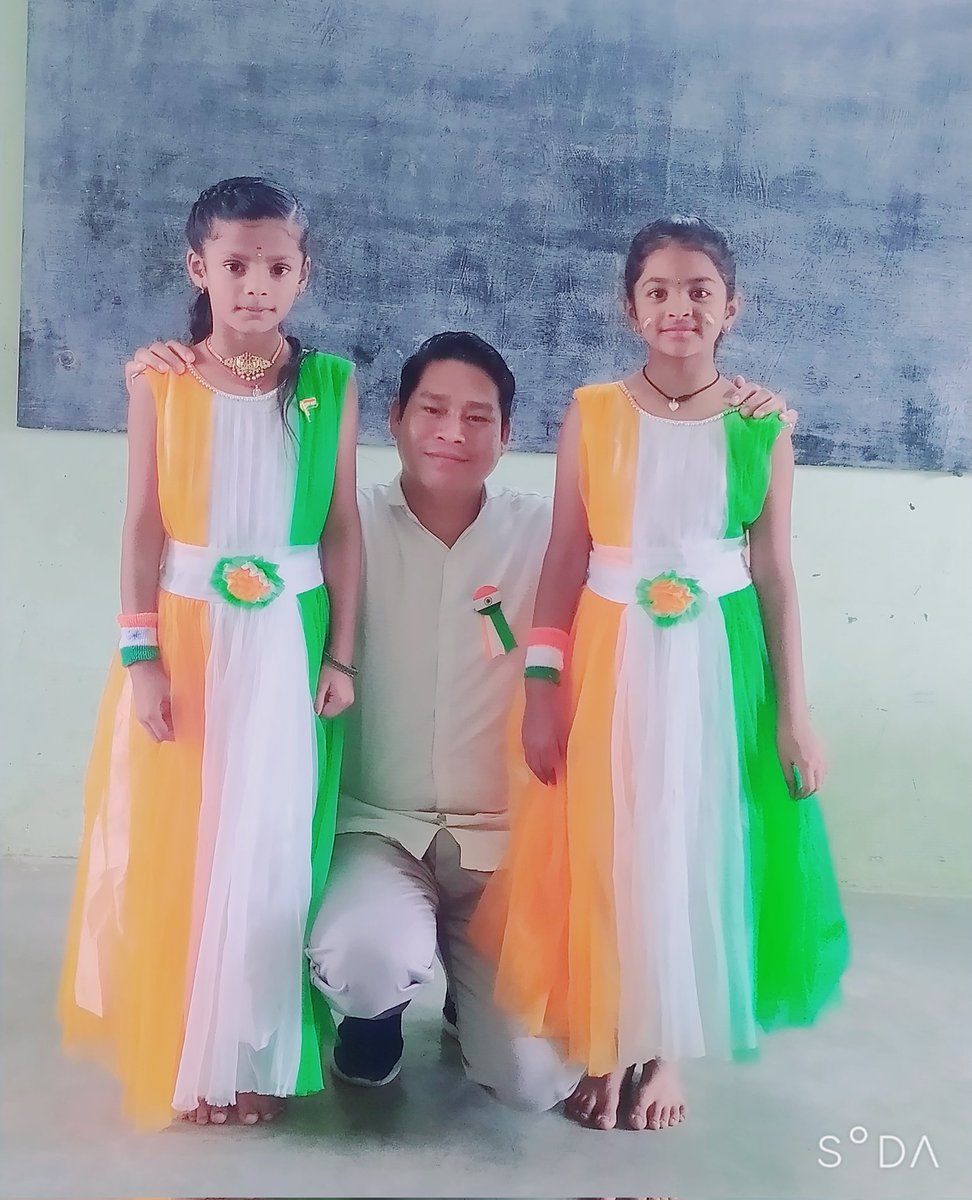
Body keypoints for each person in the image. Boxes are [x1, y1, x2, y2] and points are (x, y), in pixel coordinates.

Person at [126, 329, 792, 1114]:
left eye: (479, 418)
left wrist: (740, 409)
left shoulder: (552, 540)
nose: (452, 432)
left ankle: (467, 1003)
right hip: (378, 829)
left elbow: (677, 551)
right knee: (362, 956)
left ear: (509, 436)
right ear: (395, 419)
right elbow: (214, 505)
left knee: (532, 1082)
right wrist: (177, 368)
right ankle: (369, 1029)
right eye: (432, 410)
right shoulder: (337, 537)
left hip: (504, 843)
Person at [471, 215, 850, 1132]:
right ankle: (608, 1038)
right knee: (612, 843)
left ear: (732, 306)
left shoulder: (763, 427)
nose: (679, 307)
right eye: (658, 291)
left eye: (699, 291)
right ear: (629, 306)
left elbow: (773, 573)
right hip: (610, 659)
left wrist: (795, 712)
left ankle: (665, 1045)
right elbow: (567, 551)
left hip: (718, 672)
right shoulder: (593, 411)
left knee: (692, 843)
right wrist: (541, 686)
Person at [58, 177, 361, 1130]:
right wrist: (139, 652)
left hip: (287, 640)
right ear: (200, 269)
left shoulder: (330, 385)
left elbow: (343, 527)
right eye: (236, 266)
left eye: (277, 267)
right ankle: (188, 1049)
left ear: (303, 274)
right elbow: (143, 522)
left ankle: (258, 1049)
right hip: (186, 640)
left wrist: (341, 654)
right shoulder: (161, 379)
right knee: (184, 842)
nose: (256, 285)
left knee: (270, 848)